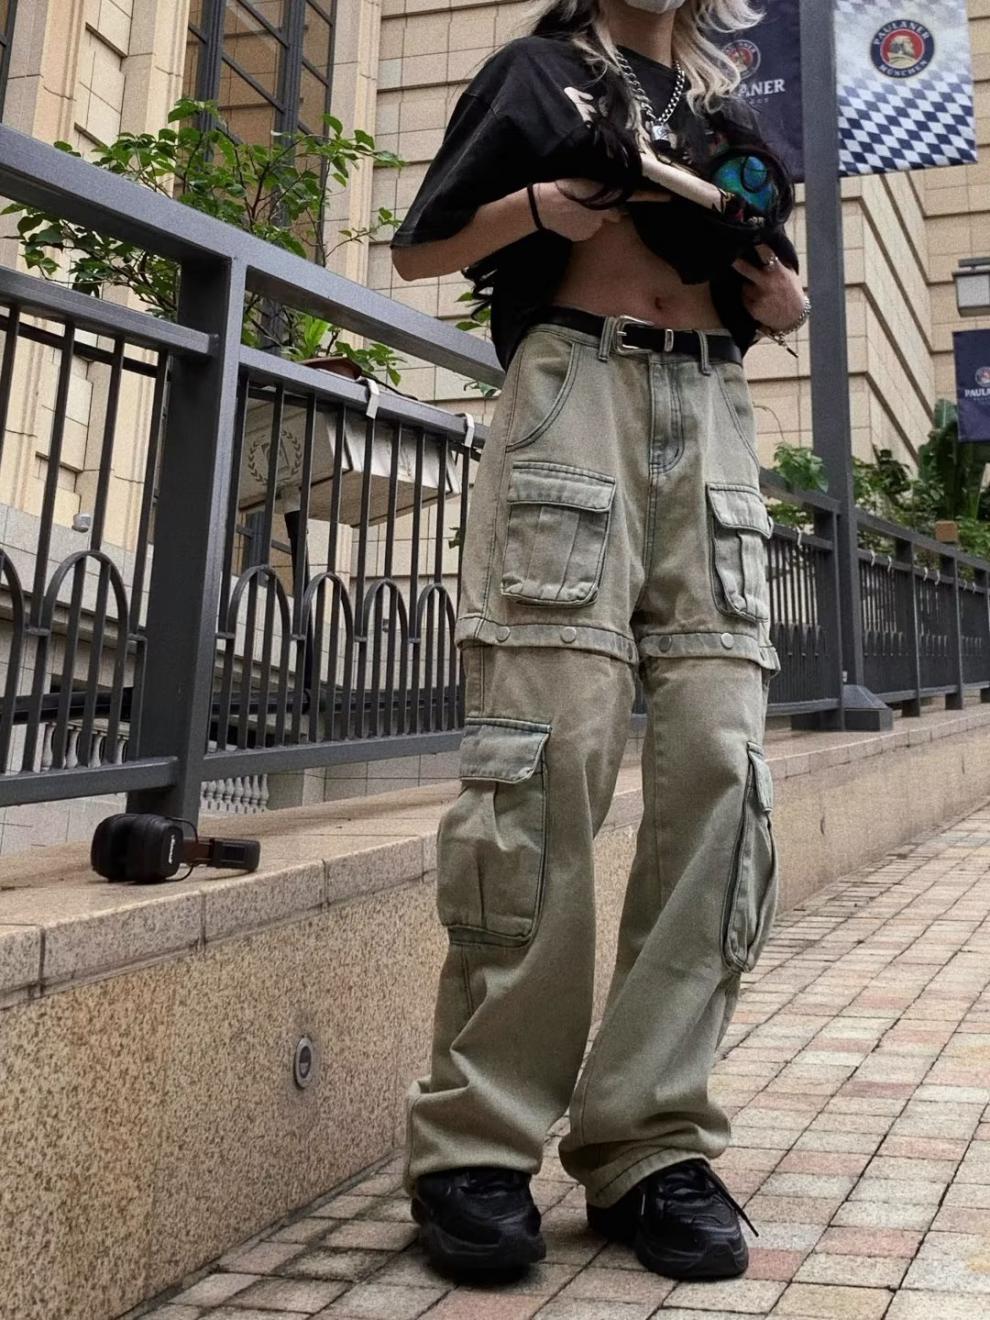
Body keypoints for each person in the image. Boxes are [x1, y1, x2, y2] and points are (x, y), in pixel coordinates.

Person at [390, 0, 809, 1285]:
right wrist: (540, 210)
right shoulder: (540, 74)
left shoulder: (727, 112)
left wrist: (786, 302)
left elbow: (766, 278)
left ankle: (649, 1143)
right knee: (544, 761)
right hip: (577, 387)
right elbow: (422, 248)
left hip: (713, 409)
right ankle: (476, 1144)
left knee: (724, 772)